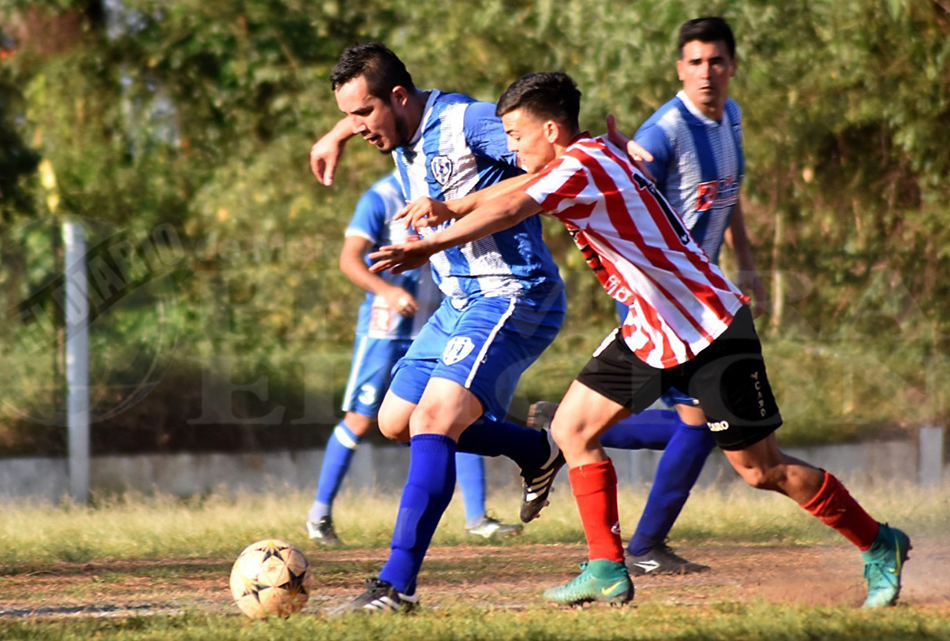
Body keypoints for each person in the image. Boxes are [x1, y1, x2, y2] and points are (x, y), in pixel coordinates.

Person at [374, 71, 909, 610]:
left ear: (553, 130)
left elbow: (514, 205)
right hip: (651, 330)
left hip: (709, 327)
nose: (508, 145)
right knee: (571, 427)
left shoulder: (578, 168)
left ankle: (878, 541)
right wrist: (452, 207)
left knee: (760, 470)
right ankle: (607, 567)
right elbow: (516, 188)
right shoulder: (586, 154)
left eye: (515, 134)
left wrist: (434, 241)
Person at [311, 43, 568, 614]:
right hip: (459, 301)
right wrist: (335, 135)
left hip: (512, 292)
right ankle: (535, 448)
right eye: (350, 115)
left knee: (434, 419)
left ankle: (395, 587)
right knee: (395, 421)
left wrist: (451, 215)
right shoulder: (395, 125)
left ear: (398, 98)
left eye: (363, 116)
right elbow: (368, 107)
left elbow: (550, 167)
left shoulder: (467, 122)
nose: (360, 128)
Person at [527, 16, 767, 576]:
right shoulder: (664, 133)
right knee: (706, 425)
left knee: (701, 425)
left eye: (717, 62)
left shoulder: (729, 116)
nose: (707, 73)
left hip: (698, 302)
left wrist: (747, 259)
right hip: (659, 304)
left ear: (732, 66)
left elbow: (727, 198)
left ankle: (558, 430)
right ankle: (642, 546)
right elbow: (619, 190)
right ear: (679, 69)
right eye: (695, 63)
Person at [307, 172, 522, 546]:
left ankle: (477, 518)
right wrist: (386, 292)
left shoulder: (443, 193)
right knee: (360, 421)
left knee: (456, 408)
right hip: (384, 331)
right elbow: (349, 260)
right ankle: (319, 515)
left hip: (438, 326)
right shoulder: (380, 197)